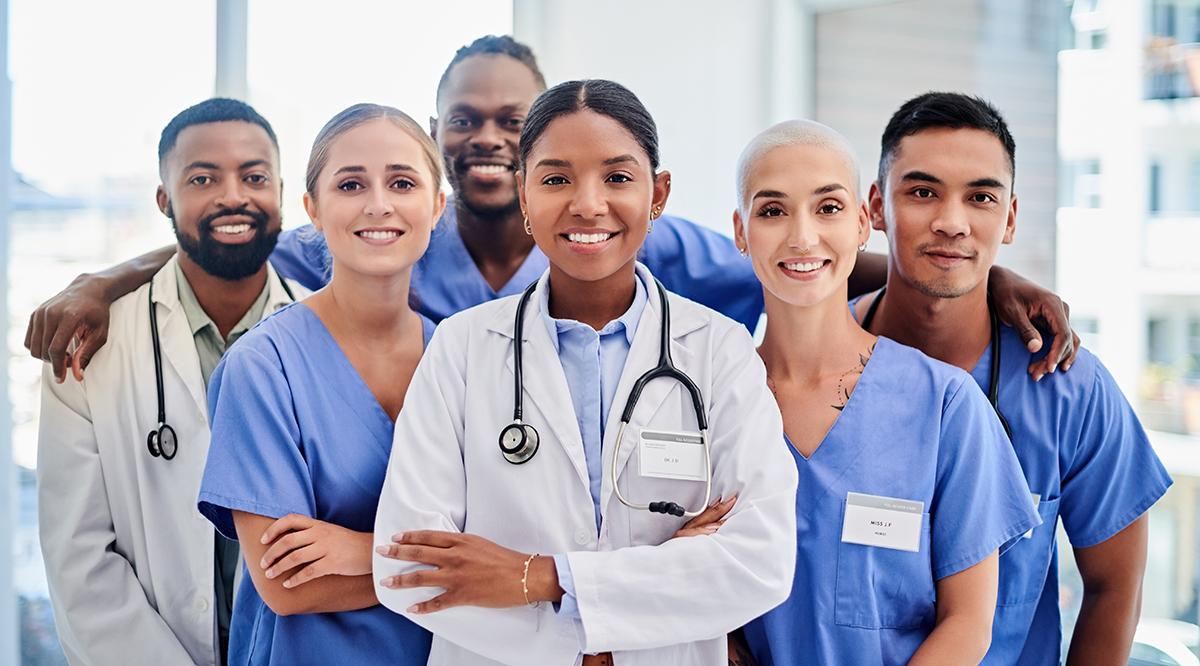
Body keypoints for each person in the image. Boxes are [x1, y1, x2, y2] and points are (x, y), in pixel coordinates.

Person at [25, 35, 1076, 384]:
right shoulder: (382, 243)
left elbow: (807, 257)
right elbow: (232, 248)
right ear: (440, 144)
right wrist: (99, 279)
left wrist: (998, 275)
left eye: (510, 121)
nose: (486, 136)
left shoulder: (653, 248)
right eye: (463, 120)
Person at [371, 79, 798, 666]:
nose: (588, 204)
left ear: (659, 193)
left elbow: (759, 562)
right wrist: (597, 635)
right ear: (524, 195)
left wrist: (540, 579)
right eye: (556, 179)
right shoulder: (461, 347)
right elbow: (409, 568)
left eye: (618, 177)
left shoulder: (720, 351)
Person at [854, 92, 1173, 665]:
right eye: (923, 192)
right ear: (876, 207)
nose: (952, 222)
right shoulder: (810, 370)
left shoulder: (1067, 386)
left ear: (1011, 218)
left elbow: (1114, 586)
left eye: (980, 197)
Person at [731, 120, 1040, 665]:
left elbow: (968, 624)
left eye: (827, 209)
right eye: (772, 211)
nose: (802, 237)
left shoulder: (945, 404)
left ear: (861, 223)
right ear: (741, 230)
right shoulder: (712, 402)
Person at [37, 98, 305, 665]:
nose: (233, 195)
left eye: (253, 176)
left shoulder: (325, 333)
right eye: (203, 177)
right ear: (164, 198)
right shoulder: (92, 347)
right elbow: (79, 557)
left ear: (280, 191)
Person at [194, 104, 443, 665]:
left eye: (402, 182)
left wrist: (360, 551)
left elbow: (515, 543)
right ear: (312, 209)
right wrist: (459, 572)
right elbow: (289, 586)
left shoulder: (463, 358)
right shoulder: (263, 366)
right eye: (351, 184)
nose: (379, 203)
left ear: (436, 205)